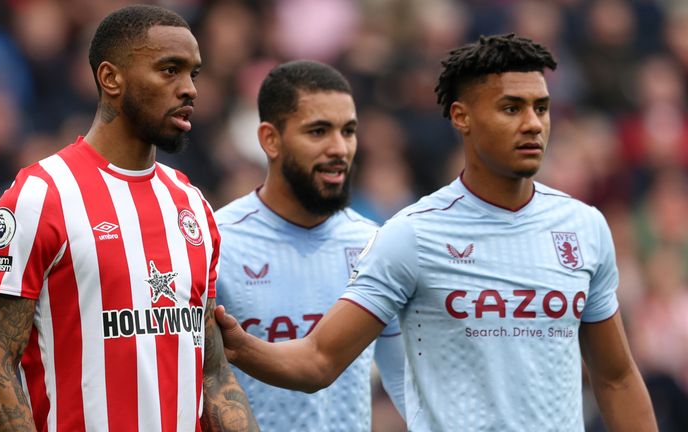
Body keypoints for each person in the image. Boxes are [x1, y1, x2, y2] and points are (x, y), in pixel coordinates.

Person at [216, 34, 658, 431]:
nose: (533, 123)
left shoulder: (584, 227)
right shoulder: (411, 236)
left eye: (541, 108)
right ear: (461, 117)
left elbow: (616, 378)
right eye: (511, 108)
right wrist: (239, 347)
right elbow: (319, 359)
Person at [0, 5, 258, 432]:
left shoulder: (192, 205)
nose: (189, 90)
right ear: (111, 78)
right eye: (169, 70)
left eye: (193, 74)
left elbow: (212, 373)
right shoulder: (41, 195)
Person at [215, 60, 405, 431]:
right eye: (318, 131)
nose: (340, 148)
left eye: (348, 131)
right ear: (270, 139)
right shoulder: (217, 242)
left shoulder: (374, 244)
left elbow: (403, 379)